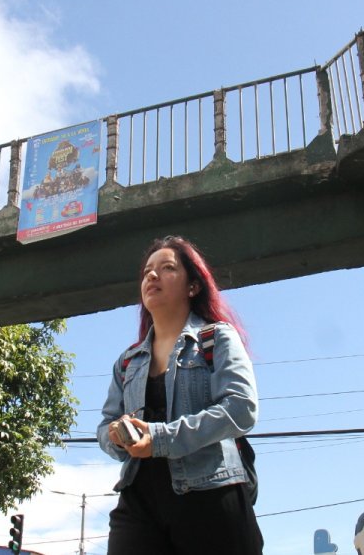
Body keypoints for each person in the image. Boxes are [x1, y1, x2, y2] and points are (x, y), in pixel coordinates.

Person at [98, 235, 263, 554]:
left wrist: (158, 439)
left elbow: (241, 409)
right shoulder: (128, 360)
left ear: (193, 286)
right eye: (147, 271)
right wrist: (117, 436)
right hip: (138, 502)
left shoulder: (216, 338)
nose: (152, 275)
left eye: (167, 268)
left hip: (211, 492)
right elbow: (105, 424)